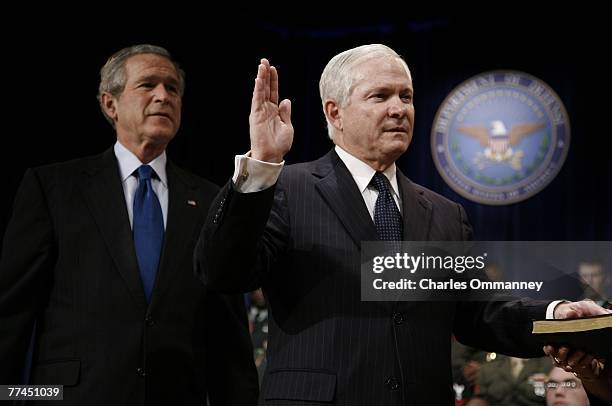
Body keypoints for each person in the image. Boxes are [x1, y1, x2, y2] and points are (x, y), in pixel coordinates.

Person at [194, 44, 609, 404]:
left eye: (406, 96)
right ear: (334, 112)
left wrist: (559, 313)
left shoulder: (444, 214)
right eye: (380, 96)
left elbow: (480, 314)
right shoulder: (285, 188)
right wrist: (262, 165)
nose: (399, 108)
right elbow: (222, 271)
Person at [0, 44, 258, 405]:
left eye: (172, 89)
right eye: (148, 85)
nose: (163, 96)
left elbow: (228, 332)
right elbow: (12, 313)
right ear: (110, 104)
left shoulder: (209, 198)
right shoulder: (54, 189)